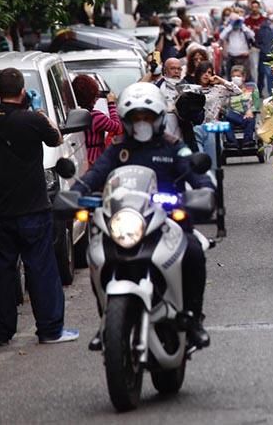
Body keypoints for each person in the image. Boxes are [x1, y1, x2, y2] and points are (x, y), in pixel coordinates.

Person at [73, 83, 213, 349]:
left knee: (194, 250)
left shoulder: (174, 146)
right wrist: (74, 192)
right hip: (126, 220)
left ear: (159, 117)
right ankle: (106, 322)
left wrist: (205, 190)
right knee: (96, 254)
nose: (142, 123)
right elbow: (95, 174)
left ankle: (192, 318)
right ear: (126, 121)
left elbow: (198, 173)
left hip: (168, 220)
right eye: (136, 118)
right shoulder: (117, 148)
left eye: (147, 117)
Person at [0, 68, 78, 346]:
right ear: (22, 91)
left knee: (4, 272)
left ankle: (2, 331)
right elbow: (55, 138)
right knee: (41, 268)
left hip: (0, 208)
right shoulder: (33, 120)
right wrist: (39, 114)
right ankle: (50, 329)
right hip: (32, 206)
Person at [71, 75, 123, 165]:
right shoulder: (96, 117)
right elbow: (117, 127)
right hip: (96, 161)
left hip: (79, 160)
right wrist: (111, 104)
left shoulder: (72, 115)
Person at [224, 66, 261, 147]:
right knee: (226, 119)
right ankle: (232, 143)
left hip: (247, 115)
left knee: (250, 119)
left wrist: (251, 110)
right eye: (233, 76)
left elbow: (257, 103)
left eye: (238, 76)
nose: (235, 78)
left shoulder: (251, 87)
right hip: (233, 116)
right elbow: (225, 105)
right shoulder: (228, 89)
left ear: (243, 77)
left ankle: (247, 141)